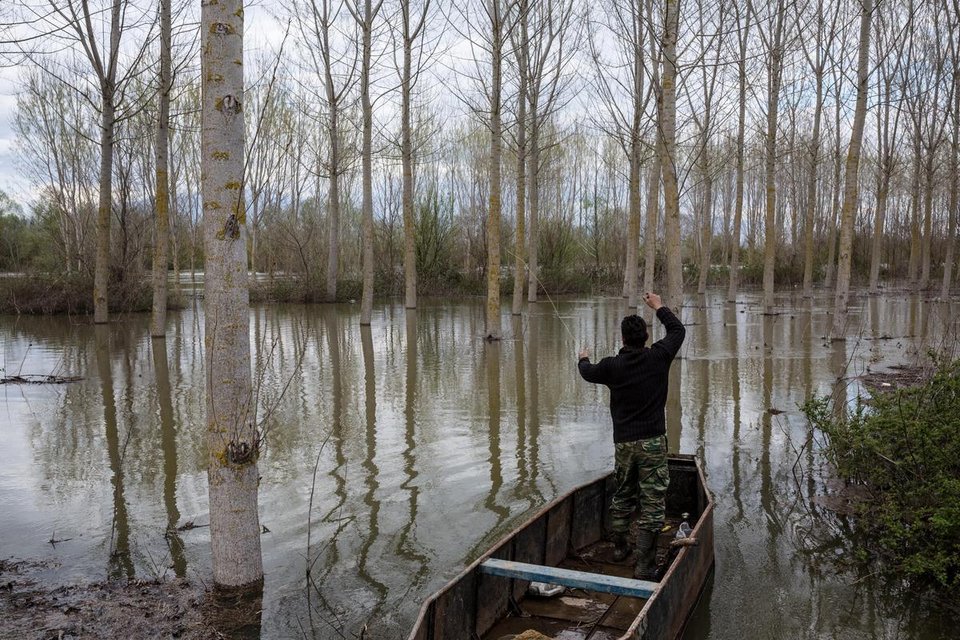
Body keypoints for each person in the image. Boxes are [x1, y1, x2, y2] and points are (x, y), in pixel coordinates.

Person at [577, 292, 685, 580]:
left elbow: (587, 372)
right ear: (646, 337)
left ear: (623, 339)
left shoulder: (612, 366)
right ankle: (644, 565)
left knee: (623, 493)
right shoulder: (659, 356)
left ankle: (619, 548)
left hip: (624, 444)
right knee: (652, 502)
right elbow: (678, 330)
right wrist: (658, 306)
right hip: (653, 443)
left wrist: (583, 359)